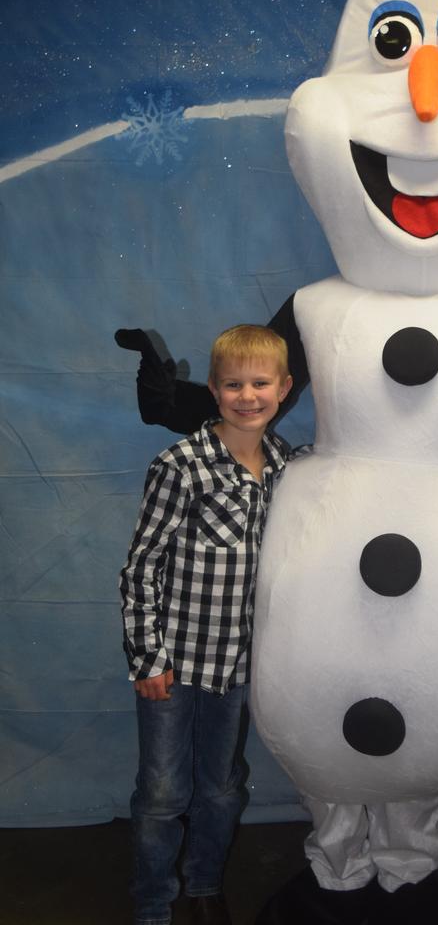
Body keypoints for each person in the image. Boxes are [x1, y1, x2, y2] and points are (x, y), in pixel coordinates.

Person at [120, 324, 293, 925]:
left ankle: (203, 884)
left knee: (221, 787)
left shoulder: (284, 468)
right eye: (234, 385)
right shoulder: (181, 465)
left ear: (284, 388)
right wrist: (148, 658)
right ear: (215, 391)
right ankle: (153, 904)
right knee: (164, 794)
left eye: (261, 383)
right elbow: (141, 566)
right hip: (175, 662)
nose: (248, 396)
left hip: (240, 665)